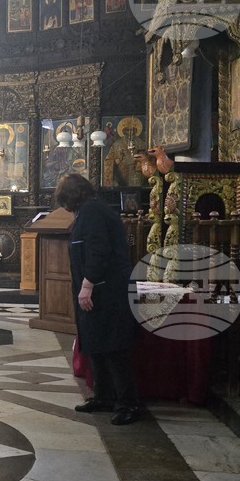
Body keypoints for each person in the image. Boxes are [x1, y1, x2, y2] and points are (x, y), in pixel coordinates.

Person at [54, 173, 146, 425]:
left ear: (71, 197)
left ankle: (129, 403)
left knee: (114, 348)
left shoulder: (93, 213)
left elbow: (98, 250)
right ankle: (104, 396)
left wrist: (87, 285)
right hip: (97, 292)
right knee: (96, 345)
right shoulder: (88, 212)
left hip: (107, 292)